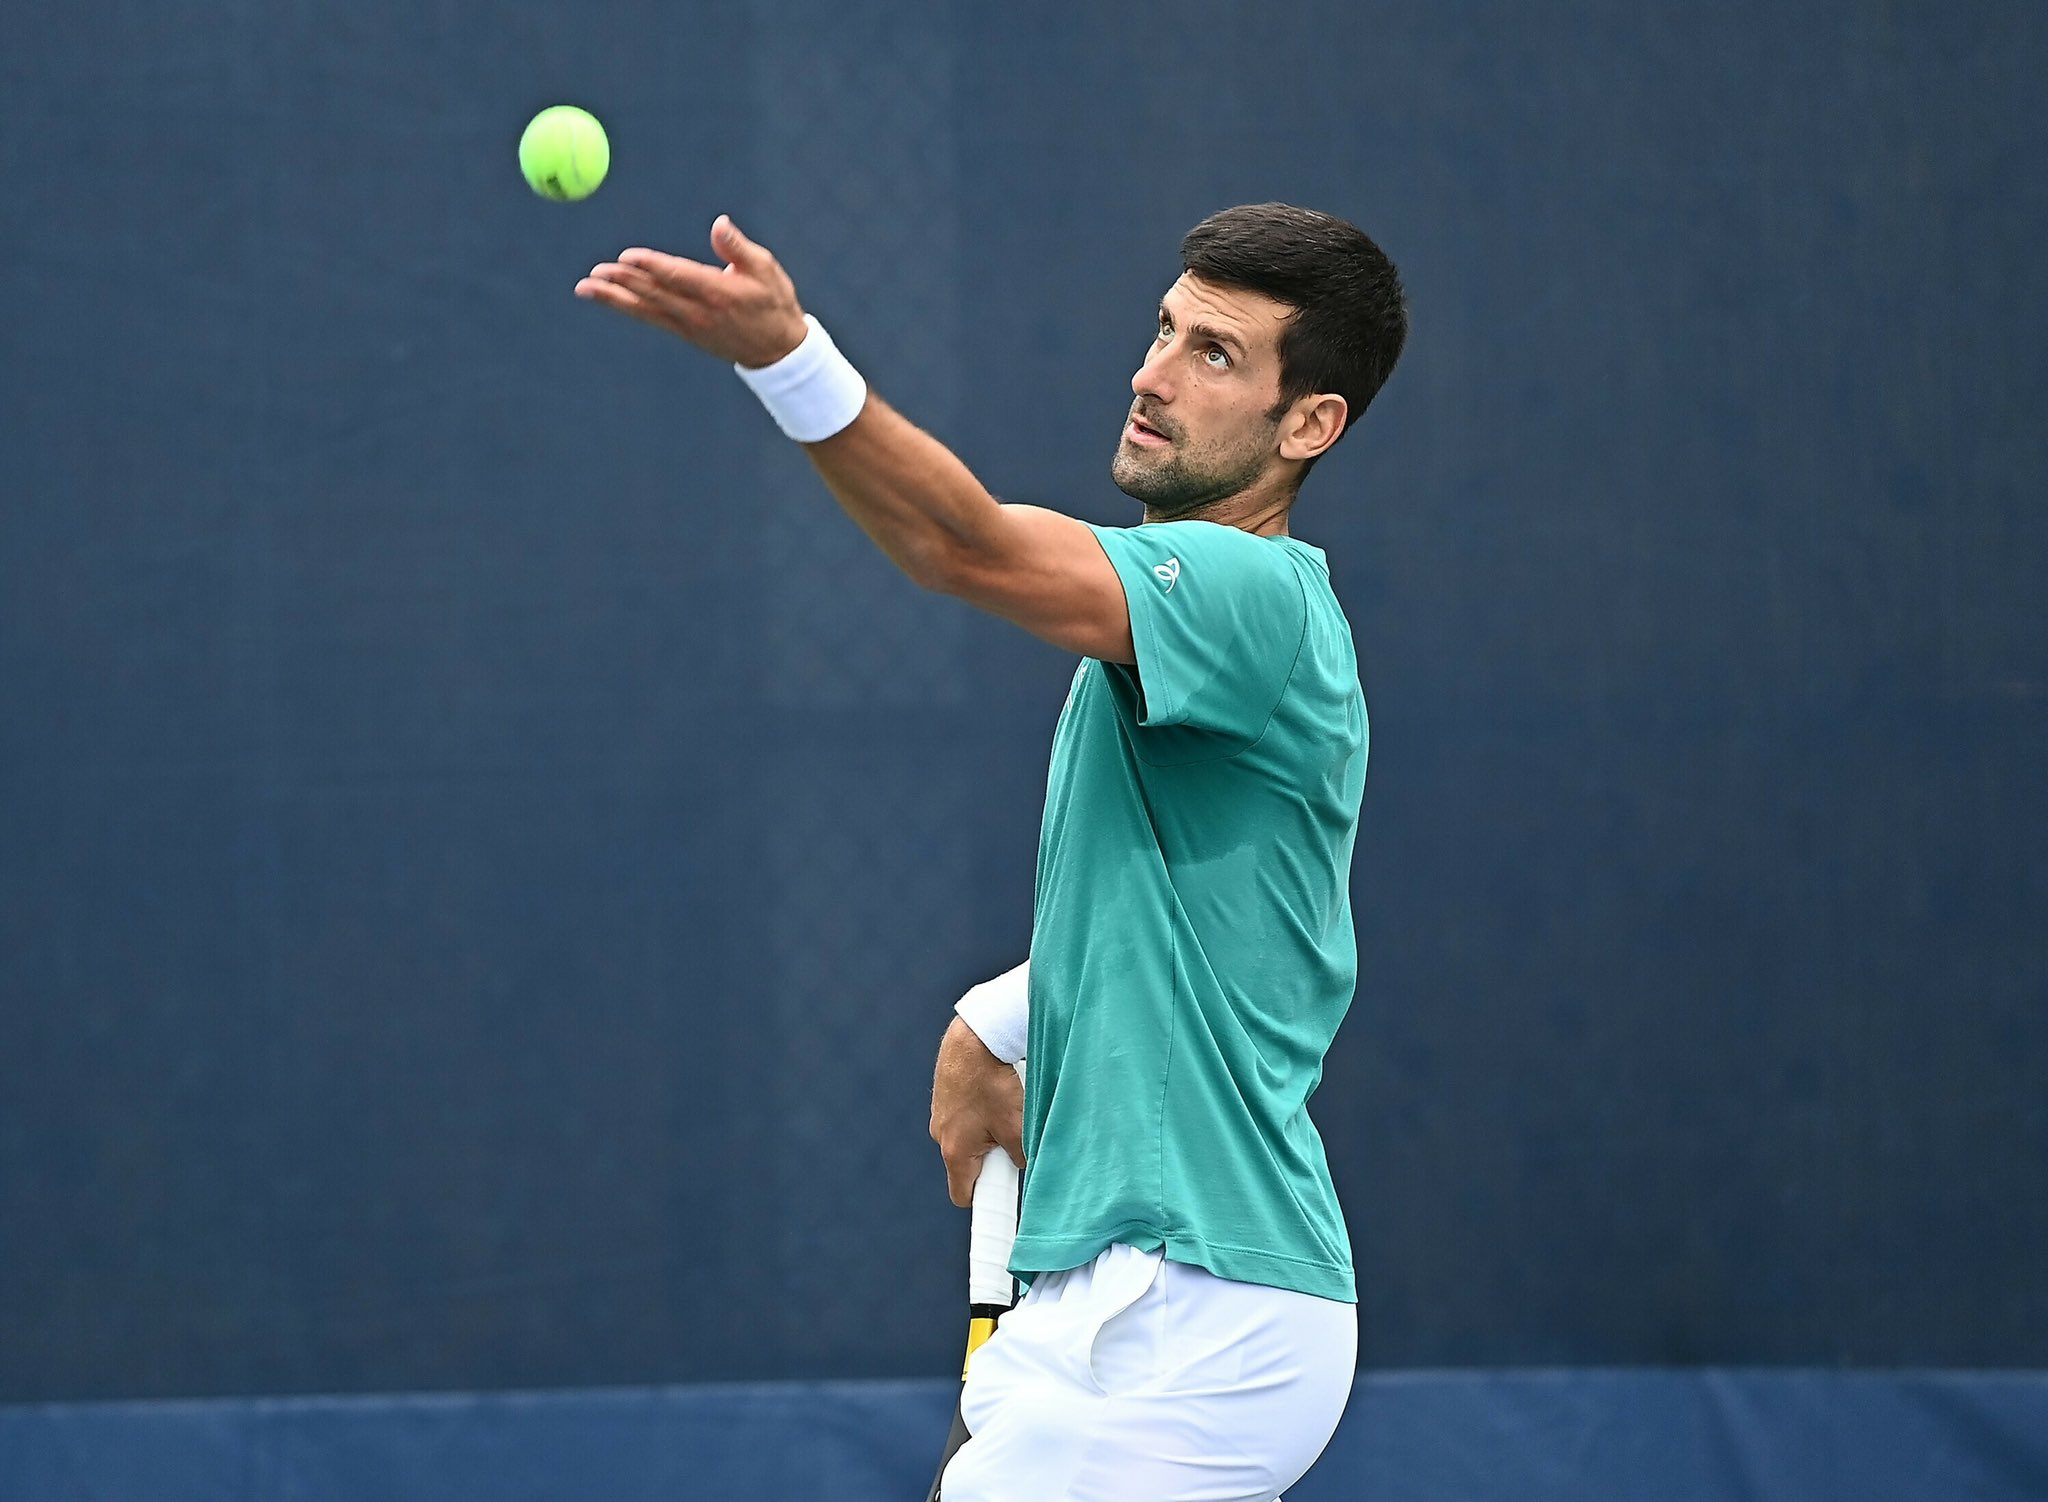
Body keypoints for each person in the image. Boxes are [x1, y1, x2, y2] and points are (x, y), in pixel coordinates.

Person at [577, 201, 1407, 1502]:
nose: (1152, 373)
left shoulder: (1254, 604)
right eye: (1164, 331)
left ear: (1310, 425)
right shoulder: (1184, 639)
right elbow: (1226, 938)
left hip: (1203, 1305)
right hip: (1103, 1299)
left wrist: (786, 356)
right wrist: (994, 1015)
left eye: (1216, 355)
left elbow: (957, 544)